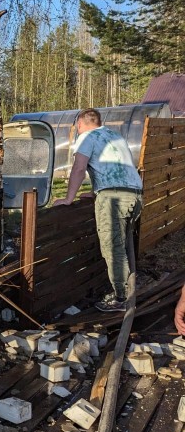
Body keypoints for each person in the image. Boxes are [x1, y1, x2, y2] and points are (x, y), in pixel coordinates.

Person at [53, 108, 143, 312]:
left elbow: (79, 167)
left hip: (114, 198)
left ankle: (121, 299)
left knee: (113, 248)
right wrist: (95, 193)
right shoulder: (115, 136)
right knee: (123, 244)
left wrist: (69, 198)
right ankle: (128, 289)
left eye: (77, 125)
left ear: (80, 124)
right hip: (135, 194)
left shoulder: (86, 137)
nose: (77, 129)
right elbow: (116, 167)